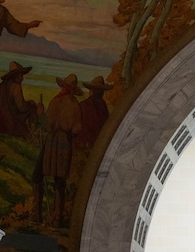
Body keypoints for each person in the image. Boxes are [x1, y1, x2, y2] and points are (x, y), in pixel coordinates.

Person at [32, 74, 83, 226]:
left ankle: (36, 215)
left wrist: (40, 114)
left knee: (37, 175)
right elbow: (77, 129)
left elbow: (47, 124)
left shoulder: (56, 101)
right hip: (65, 144)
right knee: (59, 181)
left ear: (64, 87)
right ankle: (57, 218)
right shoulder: (75, 105)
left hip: (52, 143)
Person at [0, 61, 36, 138]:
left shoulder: (4, 84)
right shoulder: (16, 86)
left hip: (3, 119)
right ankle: (33, 130)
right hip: (10, 120)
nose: (22, 78)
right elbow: (21, 107)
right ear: (15, 75)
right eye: (20, 75)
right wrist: (30, 104)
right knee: (33, 107)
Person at [77, 76, 114, 150]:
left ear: (91, 90)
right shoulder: (101, 105)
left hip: (89, 144)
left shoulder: (84, 104)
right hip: (93, 144)